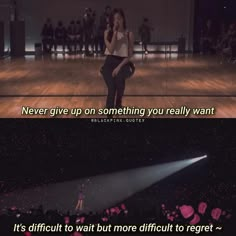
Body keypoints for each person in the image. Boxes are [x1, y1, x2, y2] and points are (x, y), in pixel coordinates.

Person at [101, 8, 134, 116]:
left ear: (123, 19)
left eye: (119, 18)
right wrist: (115, 33)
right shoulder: (108, 33)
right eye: (114, 19)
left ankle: (118, 104)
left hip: (123, 63)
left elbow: (129, 55)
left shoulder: (129, 34)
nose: (117, 21)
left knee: (120, 82)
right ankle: (109, 115)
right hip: (109, 63)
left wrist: (119, 67)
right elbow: (111, 49)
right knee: (112, 88)